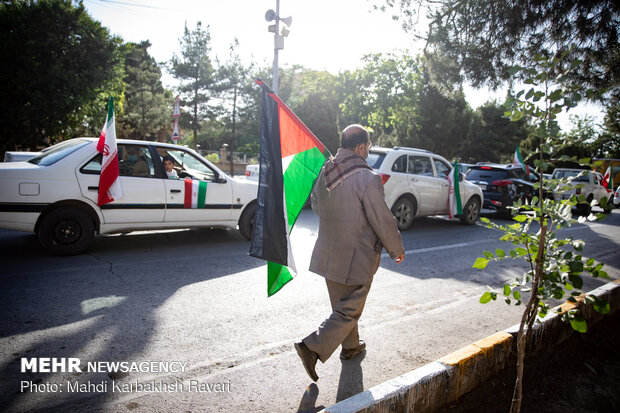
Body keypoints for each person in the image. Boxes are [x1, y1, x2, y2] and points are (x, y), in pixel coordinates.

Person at [294, 124, 405, 382]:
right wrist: (395, 248)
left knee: (341, 305)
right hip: (358, 256)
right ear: (360, 147)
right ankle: (312, 348)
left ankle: (351, 348)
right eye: (368, 146)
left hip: (328, 251)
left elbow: (317, 207)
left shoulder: (326, 171)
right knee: (349, 311)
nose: (368, 151)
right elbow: (382, 219)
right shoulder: (367, 177)